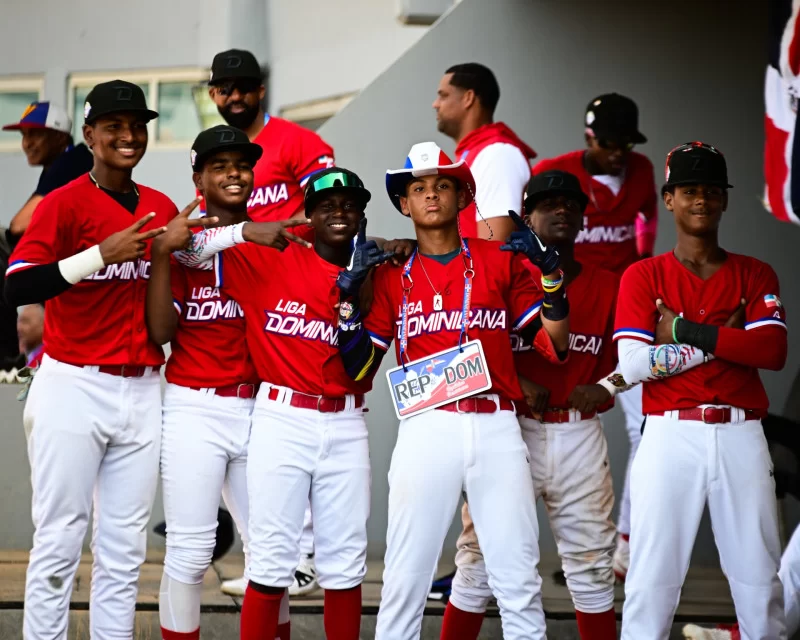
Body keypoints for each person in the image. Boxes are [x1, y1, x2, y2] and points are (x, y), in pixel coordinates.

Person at [3, 80, 215, 639]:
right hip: (72, 385)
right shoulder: (63, 202)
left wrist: (239, 231)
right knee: (60, 539)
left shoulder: (159, 205)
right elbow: (17, 285)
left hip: (143, 387)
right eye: (115, 126)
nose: (128, 135)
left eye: (137, 125)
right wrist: (100, 253)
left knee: (124, 548)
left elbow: (190, 253)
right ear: (90, 136)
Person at [334, 141, 570, 640]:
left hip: (496, 425)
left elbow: (554, 345)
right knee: (406, 575)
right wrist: (349, 301)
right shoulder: (392, 272)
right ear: (404, 204)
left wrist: (550, 276)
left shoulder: (499, 260)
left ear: (463, 197)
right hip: (427, 426)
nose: (432, 195)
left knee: (517, 576)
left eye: (443, 184)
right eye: (418, 188)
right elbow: (359, 369)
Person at [174, 166, 406, 640]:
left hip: (346, 425)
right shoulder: (268, 258)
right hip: (281, 417)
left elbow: (363, 370)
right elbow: (189, 251)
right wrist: (243, 230)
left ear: (362, 215)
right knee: (271, 560)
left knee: (344, 563)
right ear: (307, 214)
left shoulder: (377, 275)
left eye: (349, 205)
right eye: (326, 206)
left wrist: (379, 271)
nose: (339, 212)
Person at [614, 142, 788, 638]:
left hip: (741, 432)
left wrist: (687, 332)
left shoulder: (755, 273)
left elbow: (772, 352)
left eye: (712, 191)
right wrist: (729, 341)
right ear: (669, 199)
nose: (701, 200)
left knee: (760, 582)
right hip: (670, 435)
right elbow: (634, 365)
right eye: (689, 190)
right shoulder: (643, 275)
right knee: (651, 582)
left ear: (725, 200)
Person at [441, 170, 625, 640]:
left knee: (591, 566)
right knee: (478, 559)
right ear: (527, 216)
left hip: (578, 433)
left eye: (571, 204)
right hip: (512, 428)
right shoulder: (501, 274)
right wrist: (516, 378)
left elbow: (630, 358)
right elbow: (459, 346)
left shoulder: (608, 284)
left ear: (584, 217)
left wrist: (608, 386)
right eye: (548, 204)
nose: (561, 210)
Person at [146, 125, 297, 640]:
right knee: (189, 554)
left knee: (272, 555)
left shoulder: (272, 240)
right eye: (219, 166)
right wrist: (166, 253)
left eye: (241, 164)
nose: (234, 173)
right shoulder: (183, 241)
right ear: (198, 179)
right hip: (195, 409)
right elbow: (162, 329)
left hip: (262, 410)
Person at [208, 47, 335, 596]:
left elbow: (331, 207)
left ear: (260, 89)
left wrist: (281, 231)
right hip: (243, 293)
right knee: (263, 429)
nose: (235, 97)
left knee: (297, 414)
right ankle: (275, 553)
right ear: (214, 94)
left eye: (244, 86)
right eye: (224, 89)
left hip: (295, 287)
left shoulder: (298, 141)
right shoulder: (218, 155)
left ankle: (304, 555)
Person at [532, 92, 657, 580]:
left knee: (642, 423)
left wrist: (641, 270)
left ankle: (625, 547)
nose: (618, 152)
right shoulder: (558, 173)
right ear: (588, 137)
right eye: (609, 142)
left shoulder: (643, 170)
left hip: (619, 306)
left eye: (627, 142)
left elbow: (647, 219)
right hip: (561, 300)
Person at [0, 102, 93, 380]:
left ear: (59, 136)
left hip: (75, 260)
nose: (26, 143)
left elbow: (19, 225)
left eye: (34, 134)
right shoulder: (61, 163)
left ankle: (8, 358)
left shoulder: (72, 160)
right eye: (24, 136)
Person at [433, 62, 537, 240]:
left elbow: (494, 246)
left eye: (443, 96)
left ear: (468, 98)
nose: (435, 104)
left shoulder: (498, 155)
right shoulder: (476, 152)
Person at [16, 304, 44, 369]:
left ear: (43, 325)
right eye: (19, 322)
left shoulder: (47, 361)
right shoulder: (29, 359)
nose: (19, 328)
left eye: (25, 321)